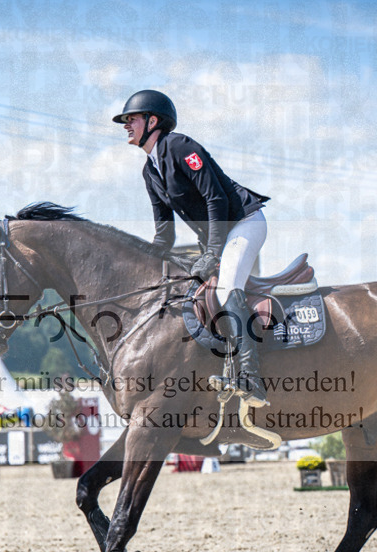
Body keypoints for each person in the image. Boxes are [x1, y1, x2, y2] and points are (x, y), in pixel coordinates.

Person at [113, 89, 271, 407]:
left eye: (131, 119)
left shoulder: (179, 146)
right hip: (217, 238)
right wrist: (138, 261)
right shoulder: (150, 171)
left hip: (244, 223)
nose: (126, 125)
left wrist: (212, 251)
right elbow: (164, 235)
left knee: (226, 291)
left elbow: (216, 198)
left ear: (152, 120)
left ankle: (251, 380)